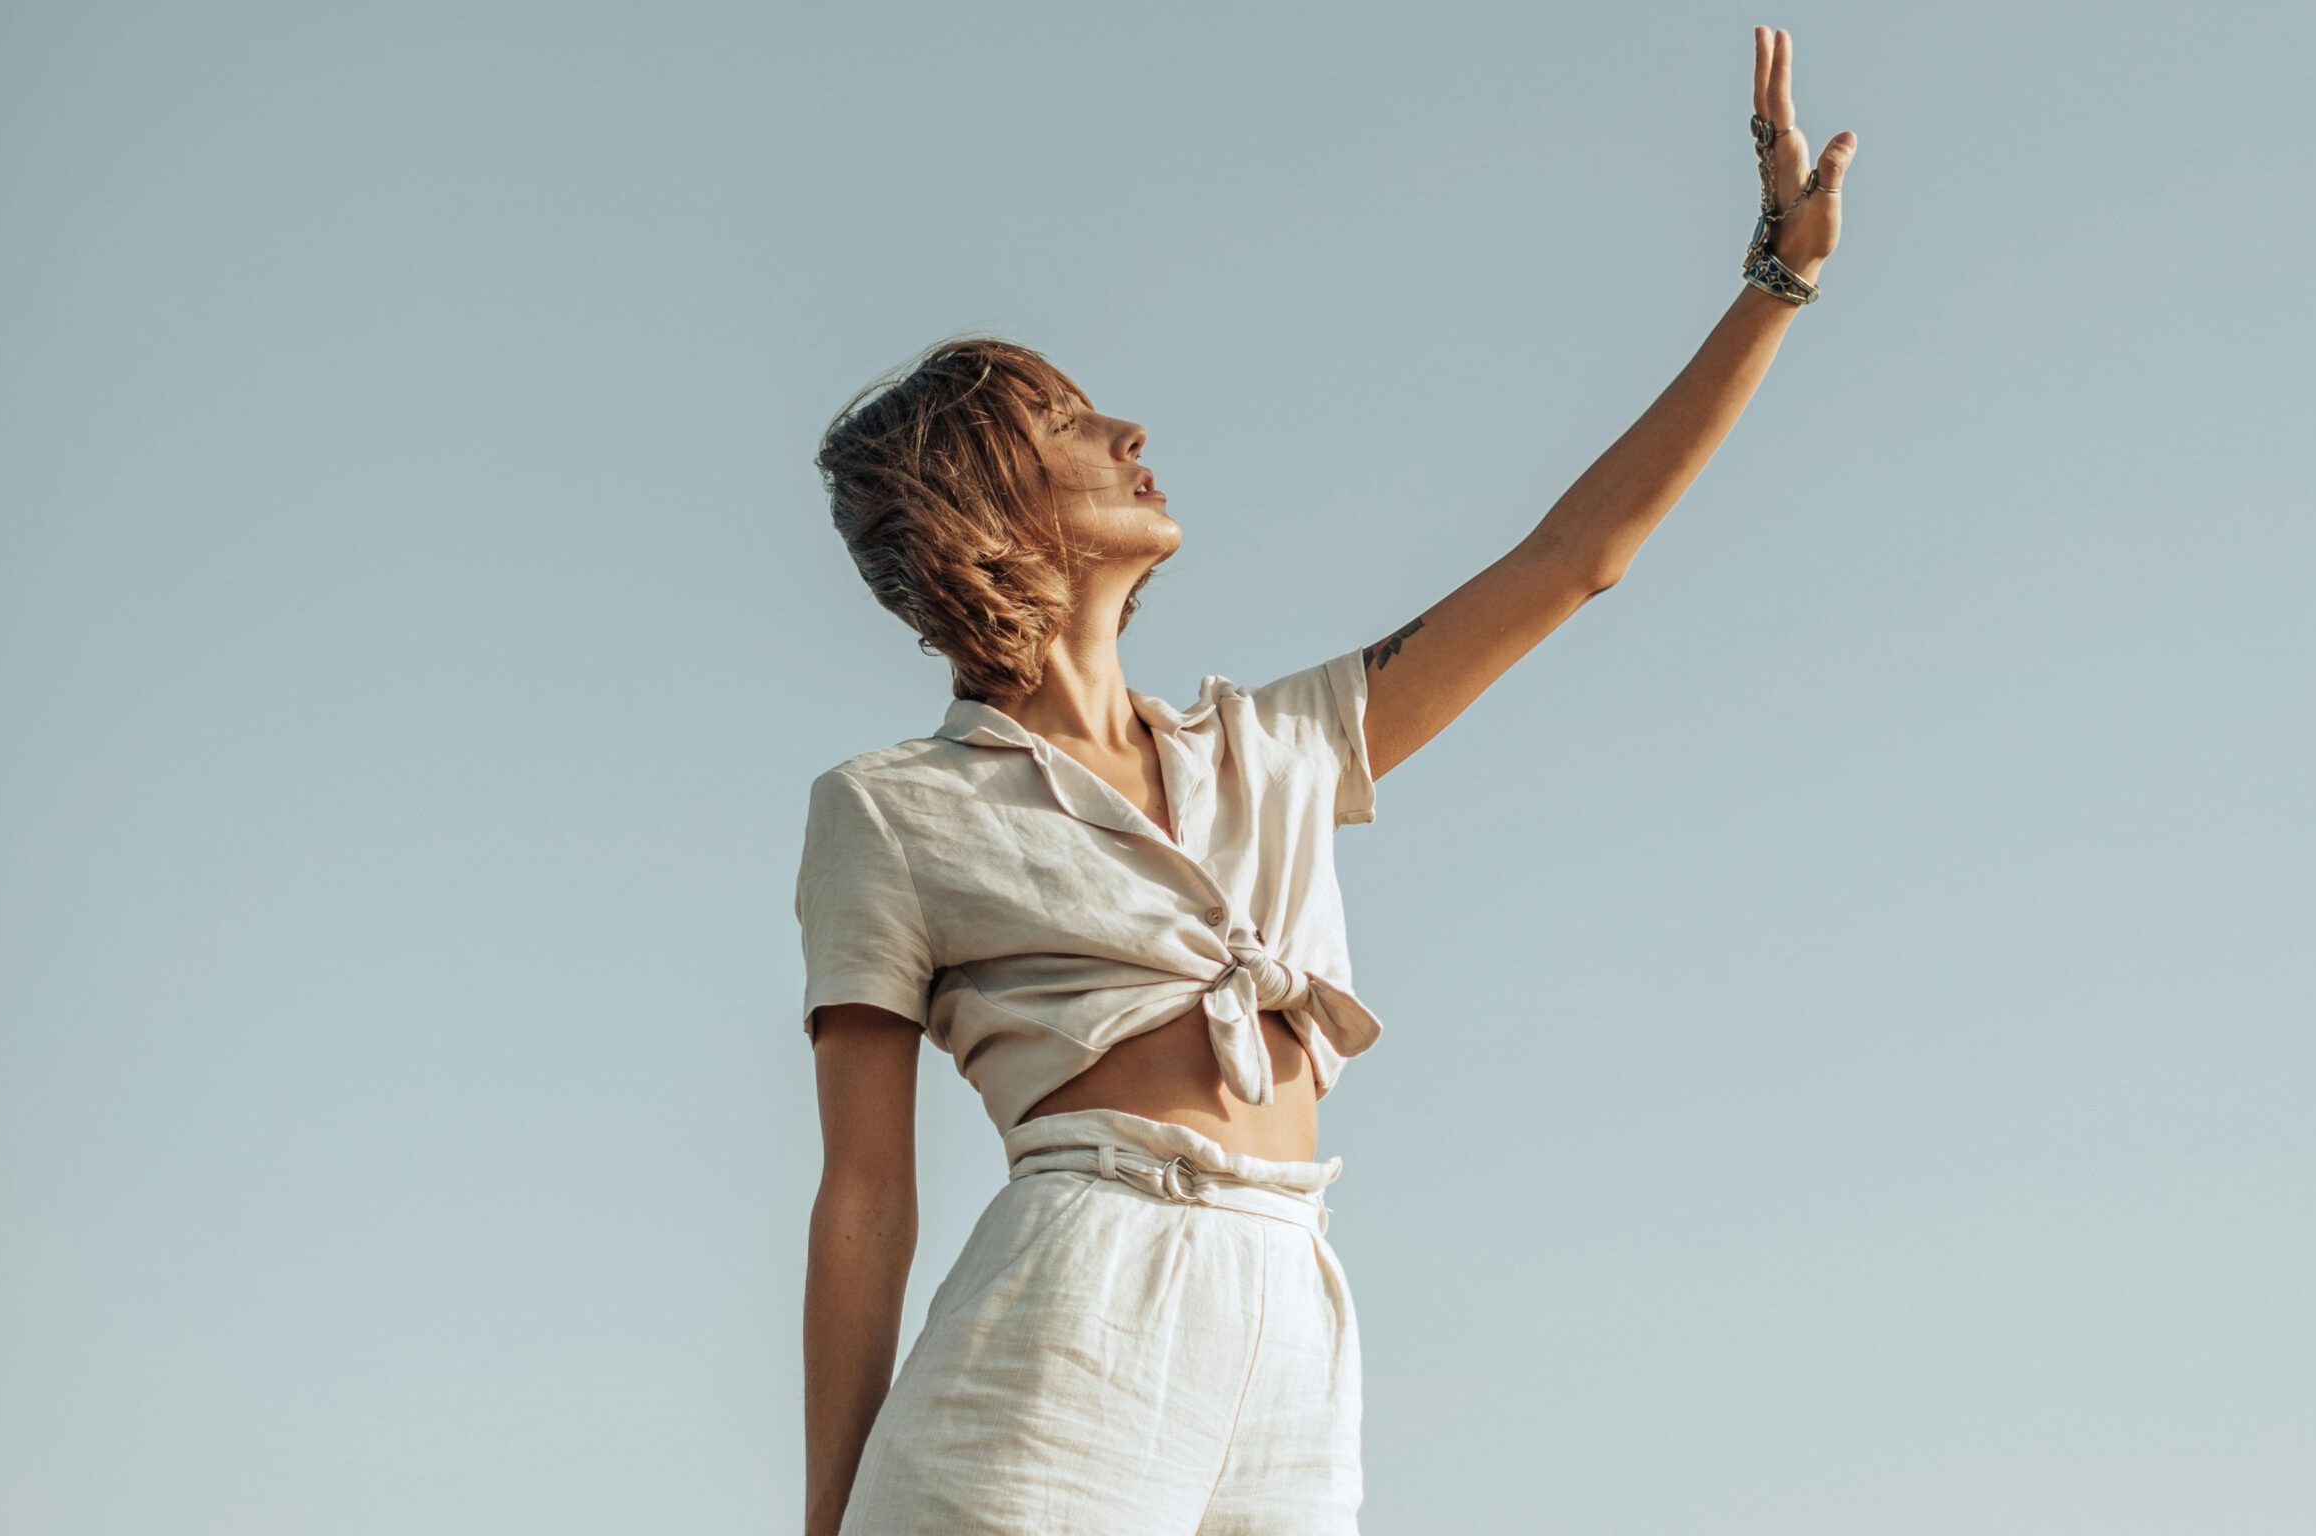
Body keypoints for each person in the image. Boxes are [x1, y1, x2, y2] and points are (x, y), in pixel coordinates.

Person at [795, 28, 1856, 1533]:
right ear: (983, 504)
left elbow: (1574, 562)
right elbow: (863, 1199)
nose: (1130, 430)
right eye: (1067, 422)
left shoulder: (1273, 746)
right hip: (1074, 1303)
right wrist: (827, 1517)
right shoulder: (892, 808)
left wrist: (1777, 284)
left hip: (1292, 1310)